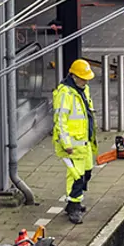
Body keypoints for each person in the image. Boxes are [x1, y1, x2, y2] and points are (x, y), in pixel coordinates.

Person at [53, 58, 96, 224]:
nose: (86, 81)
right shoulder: (65, 94)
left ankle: (73, 202)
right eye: (83, 78)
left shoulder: (82, 90)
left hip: (83, 143)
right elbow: (60, 121)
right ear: (74, 76)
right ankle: (74, 207)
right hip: (72, 146)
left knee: (87, 173)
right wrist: (66, 144)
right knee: (76, 177)